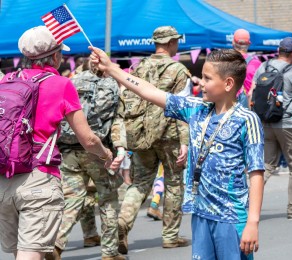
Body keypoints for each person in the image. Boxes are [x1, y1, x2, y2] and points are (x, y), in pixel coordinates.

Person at [90, 45, 264, 260]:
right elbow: (149, 91)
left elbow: (256, 172)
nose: (201, 83)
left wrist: (252, 223)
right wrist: (111, 68)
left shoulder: (247, 120)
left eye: (208, 79)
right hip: (201, 215)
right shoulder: (196, 109)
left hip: (231, 219)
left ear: (228, 83)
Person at [0, 26, 113, 260]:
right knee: (30, 255)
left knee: (19, 253)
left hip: (5, 178)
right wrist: (105, 155)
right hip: (39, 178)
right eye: (60, 52)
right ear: (54, 56)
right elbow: (88, 139)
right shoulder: (61, 84)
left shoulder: (8, 81)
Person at [116, 26, 190, 254]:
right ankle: (170, 236)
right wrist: (185, 142)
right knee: (174, 183)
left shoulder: (138, 68)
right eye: (176, 41)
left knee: (140, 183)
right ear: (169, 43)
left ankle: (122, 223)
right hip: (170, 134)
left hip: (142, 134)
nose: (177, 44)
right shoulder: (178, 70)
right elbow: (182, 107)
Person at [50, 64, 126, 260]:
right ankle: (109, 252)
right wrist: (120, 148)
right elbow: (116, 121)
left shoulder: (73, 82)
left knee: (72, 198)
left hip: (69, 149)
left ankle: (57, 243)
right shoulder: (111, 86)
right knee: (108, 199)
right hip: (97, 150)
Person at [252, 37, 292, 219]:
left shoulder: (263, 67)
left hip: (266, 122)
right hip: (287, 124)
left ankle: (246, 200)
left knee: (266, 165)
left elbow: (252, 94)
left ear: (279, 50)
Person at [232, 28, 261, 108]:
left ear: (233, 43)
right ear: (249, 44)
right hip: (249, 108)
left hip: (229, 107)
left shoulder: (226, 62)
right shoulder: (257, 64)